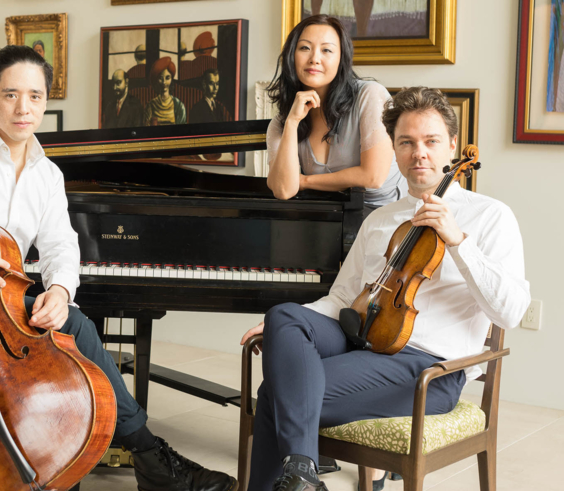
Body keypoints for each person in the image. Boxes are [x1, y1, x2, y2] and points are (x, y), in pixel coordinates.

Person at [0, 45, 237, 491]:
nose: (23, 108)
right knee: (78, 329)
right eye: (10, 95)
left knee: (67, 322)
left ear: (45, 101)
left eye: (35, 96)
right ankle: (151, 458)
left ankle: (77, 457)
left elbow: (61, 244)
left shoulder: (47, 176)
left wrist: (59, 290)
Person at [239, 86, 530, 491]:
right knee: (283, 315)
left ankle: (298, 475)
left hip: (428, 369)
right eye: (406, 142)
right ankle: (303, 474)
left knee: (276, 391)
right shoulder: (380, 219)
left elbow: (510, 312)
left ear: (452, 145)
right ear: (394, 149)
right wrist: (279, 328)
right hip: (363, 344)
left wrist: (458, 241)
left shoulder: (490, 216)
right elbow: (342, 298)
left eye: (430, 141)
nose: (419, 153)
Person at [266, 15, 406, 218]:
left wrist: (304, 181)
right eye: (305, 48)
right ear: (291, 55)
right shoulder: (283, 122)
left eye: (327, 50)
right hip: (331, 220)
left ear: (341, 58)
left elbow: (373, 177)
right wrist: (292, 122)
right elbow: (284, 190)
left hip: (391, 219)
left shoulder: (370, 95)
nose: (314, 58)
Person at [144, 56, 186, 126]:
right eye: (160, 78)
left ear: (171, 79)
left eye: (167, 78)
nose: (164, 82)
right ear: (157, 80)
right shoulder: (151, 105)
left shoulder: (179, 106)